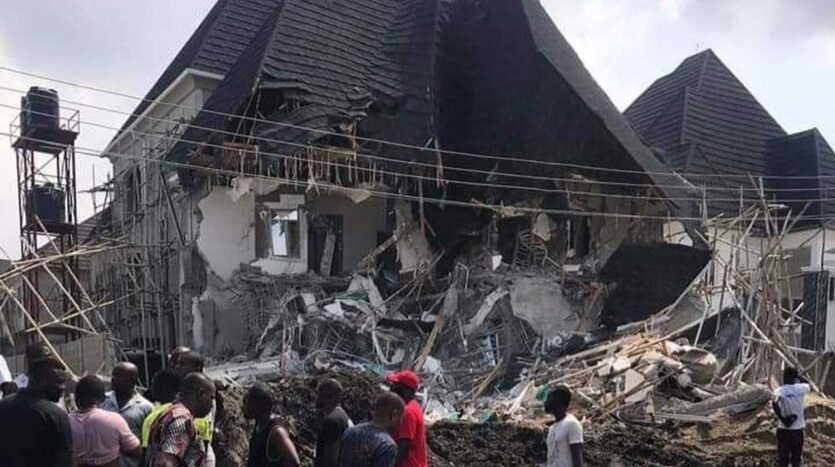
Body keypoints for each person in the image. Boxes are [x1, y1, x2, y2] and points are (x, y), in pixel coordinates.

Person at [0, 344, 73, 466]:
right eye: (58, 383)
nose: (61, 389)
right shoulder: (57, 416)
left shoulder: (3, 406)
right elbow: (65, 460)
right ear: (42, 378)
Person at [145, 372, 215, 467]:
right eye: (211, 398)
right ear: (201, 394)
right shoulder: (182, 419)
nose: (211, 405)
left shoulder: (170, 413)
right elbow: (165, 463)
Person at [69, 374, 141, 467]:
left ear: (76, 398)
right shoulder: (113, 419)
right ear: (103, 398)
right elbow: (136, 451)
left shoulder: (65, 422)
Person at [173, 350, 219, 467]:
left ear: (197, 368)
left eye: (183, 364)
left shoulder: (204, 395)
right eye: (177, 363)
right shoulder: (178, 390)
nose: (177, 367)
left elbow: (202, 431)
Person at [243, 383, 301, 467]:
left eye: (247, 402)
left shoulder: (276, 432)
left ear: (257, 405)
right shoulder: (259, 426)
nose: (244, 406)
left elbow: (294, 462)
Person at [339, 392, 404, 467]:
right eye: (401, 417)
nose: (401, 422)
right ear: (394, 414)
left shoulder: (350, 431)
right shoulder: (387, 445)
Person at [102, 363, 154, 443]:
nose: (113, 379)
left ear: (132, 380)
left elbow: (149, 439)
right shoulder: (102, 400)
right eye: (113, 375)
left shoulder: (146, 407)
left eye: (118, 376)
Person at [385, 371, 427, 467]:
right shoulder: (412, 406)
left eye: (395, 386)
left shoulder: (408, 412)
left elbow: (403, 446)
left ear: (406, 391)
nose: (391, 389)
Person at [773, 366, 811, 467]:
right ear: (795, 377)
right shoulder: (802, 388)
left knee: (783, 460)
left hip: (783, 430)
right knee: (796, 460)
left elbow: (774, 402)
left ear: (784, 376)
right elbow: (808, 383)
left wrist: (783, 419)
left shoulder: (780, 390)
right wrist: (799, 376)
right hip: (798, 431)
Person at [315, 378, 352, 467]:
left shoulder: (332, 421)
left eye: (318, 393)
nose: (316, 397)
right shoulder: (342, 415)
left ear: (324, 396)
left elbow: (331, 459)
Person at [141, 369, 182, 449]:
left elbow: (147, 449)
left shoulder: (154, 417)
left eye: (153, 384)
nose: (151, 388)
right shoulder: (189, 410)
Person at [544, 385, 583, 467]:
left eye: (552, 397)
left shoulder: (572, 424)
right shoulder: (552, 428)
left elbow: (577, 458)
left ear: (560, 401)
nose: (547, 400)